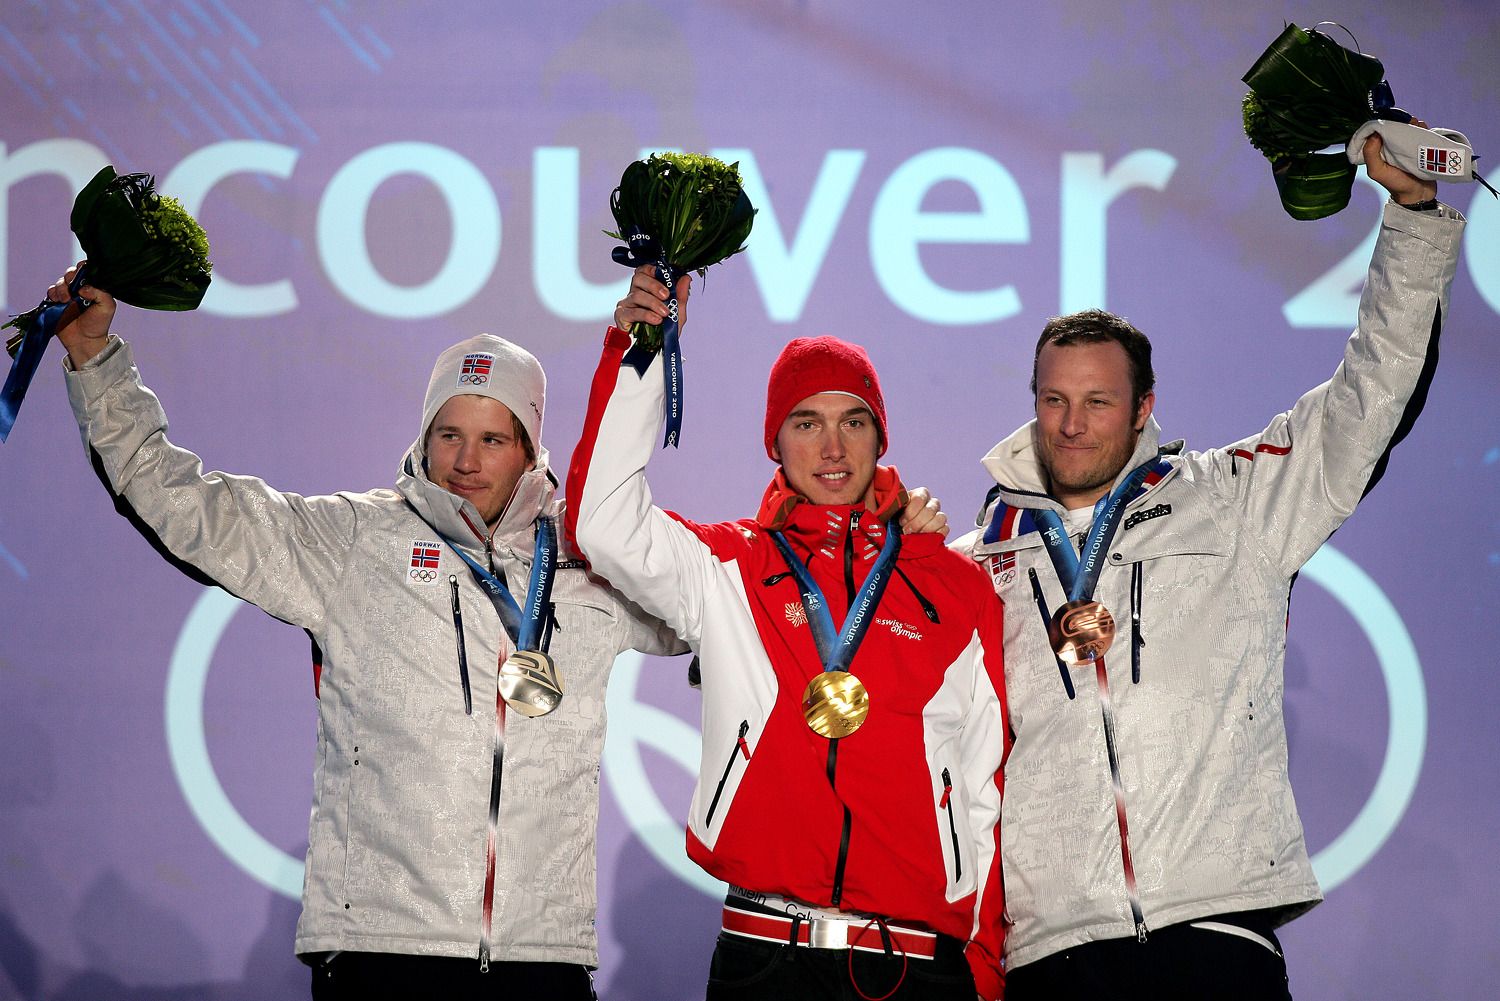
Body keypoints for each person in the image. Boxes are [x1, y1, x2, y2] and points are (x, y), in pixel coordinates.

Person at [45, 266, 687, 1000]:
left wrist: (644, 355)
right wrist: (97, 362)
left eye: (492, 438)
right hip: (383, 952)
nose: (466, 461)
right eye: (449, 433)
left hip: (541, 959)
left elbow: (717, 602)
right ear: (425, 434)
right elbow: (183, 502)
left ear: (530, 447)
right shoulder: (357, 540)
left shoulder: (584, 560)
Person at [952, 133, 1465, 998]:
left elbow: (1371, 394)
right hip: (1051, 950)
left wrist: (1413, 220)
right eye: (1054, 401)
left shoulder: (1236, 499)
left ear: (1144, 406)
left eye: (1099, 402)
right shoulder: (974, 560)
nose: (1073, 424)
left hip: (1216, 932)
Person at [564, 287, 1011, 1000]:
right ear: (775, 440)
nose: (832, 448)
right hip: (765, 957)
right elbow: (603, 521)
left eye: (853, 421)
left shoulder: (955, 587)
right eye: (806, 422)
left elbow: (987, 786)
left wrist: (987, 973)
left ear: (879, 436)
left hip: (919, 968)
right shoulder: (729, 569)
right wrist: (644, 349)